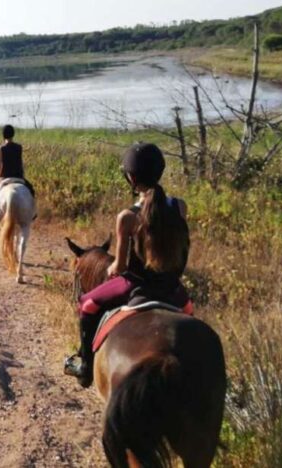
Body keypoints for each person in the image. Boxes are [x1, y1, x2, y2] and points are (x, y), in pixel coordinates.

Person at [65, 142, 191, 388]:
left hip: (136, 287)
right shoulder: (180, 207)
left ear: (131, 178)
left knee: (87, 304)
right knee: (189, 315)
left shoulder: (127, 217)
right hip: (171, 287)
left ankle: (85, 366)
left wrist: (112, 269)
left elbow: (121, 268)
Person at [0, 125, 35, 202]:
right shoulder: (19, 147)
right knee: (32, 191)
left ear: (3, 135)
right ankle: (33, 213)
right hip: (18, 177)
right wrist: (23, 175)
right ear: (13, 134)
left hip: (5, 178)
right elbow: (20, 163)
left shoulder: (1, 148)